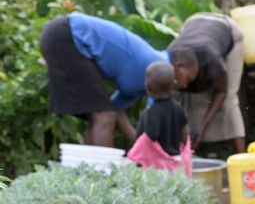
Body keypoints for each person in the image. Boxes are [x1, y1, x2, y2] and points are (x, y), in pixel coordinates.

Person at [39, 13, 190, 147]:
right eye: (187, 78)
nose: (185, 85)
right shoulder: (156, 65)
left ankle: (88, 171)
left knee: (100, 115)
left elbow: (116, 108)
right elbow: (155, 115)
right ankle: (103, 176)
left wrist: (138, 144)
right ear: (178, 67)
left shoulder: (142, 79)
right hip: (68, 35)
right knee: (104, 116)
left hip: (61, 34)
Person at [168, 12, 246, 153]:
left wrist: (202, 129)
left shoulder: (213, 61)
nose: (185, 86)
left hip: (227, 28)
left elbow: (221, 92)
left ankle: (243, 159)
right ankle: (185, 152)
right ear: (176, 66)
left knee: (229, 100)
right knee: (181, 96)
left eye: (189, 80)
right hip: (192, 21)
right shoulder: (169, 56)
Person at [134, 61, 188, 156]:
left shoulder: (151, 112)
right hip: (175, 159)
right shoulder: (178, 108)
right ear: (174, 84)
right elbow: (185, 134)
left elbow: (150, 136)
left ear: (148, 87)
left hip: (155, 163)